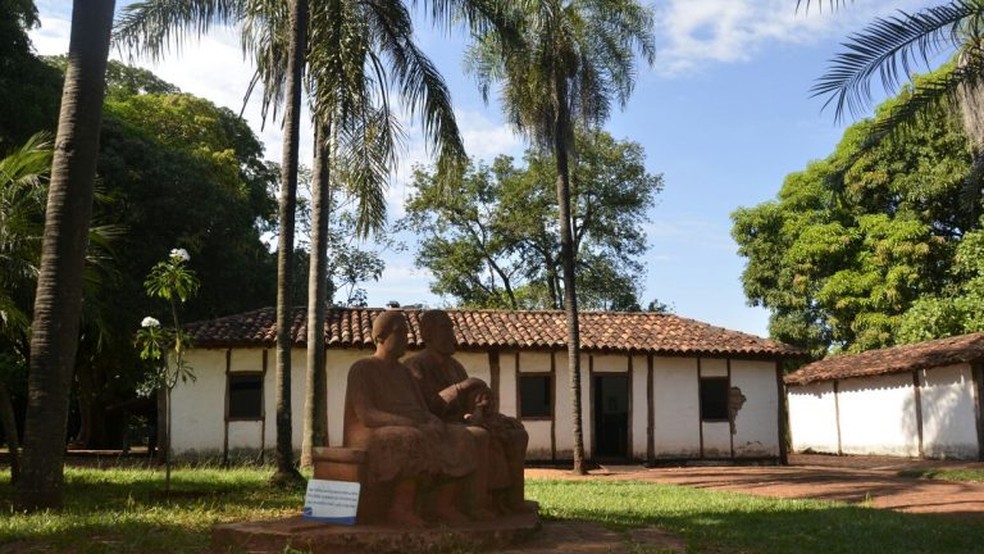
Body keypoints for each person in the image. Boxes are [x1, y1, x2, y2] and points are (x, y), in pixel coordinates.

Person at [343, 310, 476, 527]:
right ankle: (400, 507)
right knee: (410, 438)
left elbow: (422, 409)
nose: (407, 337)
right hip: (369, 433)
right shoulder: (362, 368)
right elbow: (367, 415)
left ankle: (443, 504)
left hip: (409, 427)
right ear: (380, 337)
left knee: (461, 437)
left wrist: (433, 421)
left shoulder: (404, 373)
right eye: (400, 332)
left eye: (407, 332)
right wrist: (410, 423)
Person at [404, 309, 530, 514]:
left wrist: (481, 404)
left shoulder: (455, 367)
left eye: (451, 329)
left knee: (516, 433)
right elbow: (427, 406)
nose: (451, 335)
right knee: (479, 437)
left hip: (462, 421)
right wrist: (462, 387)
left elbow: (467, 404)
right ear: (427, 334)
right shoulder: (416, 365)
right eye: (445, 329)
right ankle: (476, 504)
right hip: (434, 426)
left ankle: (511, 499)